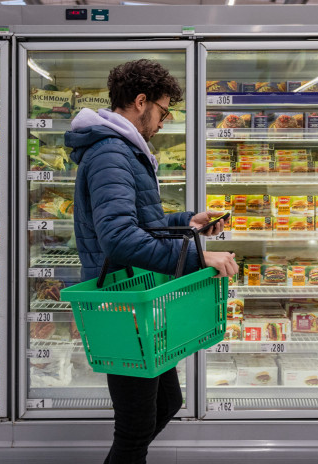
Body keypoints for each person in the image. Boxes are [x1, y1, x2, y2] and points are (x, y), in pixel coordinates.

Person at [65, 59, 238, 464]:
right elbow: (119, 239)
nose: (164, 120)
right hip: (121, 303)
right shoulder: (111, 152)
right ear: (141, 102)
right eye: (163, 110)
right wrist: (198, 257)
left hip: (139, 296)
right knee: (135, 429)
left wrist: (186, 224)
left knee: (166, 403)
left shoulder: (124, 149)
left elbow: (138, 224)